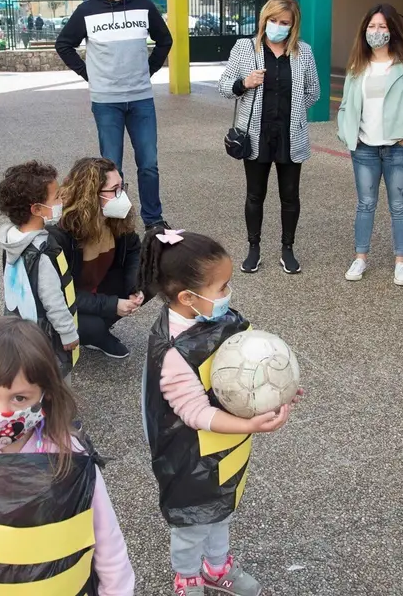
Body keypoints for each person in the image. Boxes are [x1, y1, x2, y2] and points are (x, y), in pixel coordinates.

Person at [0, 316, 134, 595]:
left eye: (19, 398)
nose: (2, 412)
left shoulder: (71, 456)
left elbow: (106, 537)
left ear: (45, 395)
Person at [139, 229, 302, 596]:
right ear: (187, 298)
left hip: (225, 447)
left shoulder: (217, 320)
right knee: (191, 523)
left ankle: (216, 568)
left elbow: (247, 363)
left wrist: (275, 386)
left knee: (221, 509)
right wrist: (250, 424)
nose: (229, 294)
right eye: (222, 287)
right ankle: (187, 576)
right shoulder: (172, 351)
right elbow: (195, 412)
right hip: (189, 455)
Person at [55, 0, 174, 230]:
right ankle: (116, 221)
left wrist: (149, 70)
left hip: (140, 98)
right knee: (111, 167)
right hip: (106, 101)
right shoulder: (86, 10)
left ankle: (153, 220)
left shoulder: (144, 5)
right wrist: (89, 75)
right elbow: (64, 44)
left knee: (149, 164)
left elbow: (165, 40)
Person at [218, 0, 320, 274]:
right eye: (273, 20)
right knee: (255, 195)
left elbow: (314, 91)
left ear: (293, 24)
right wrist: (244, 83)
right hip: (255, 134)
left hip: (290, 135)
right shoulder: (245, 48)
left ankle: (288, 249)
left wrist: (296, 111)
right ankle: (254, 248)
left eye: (284, 22)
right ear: (264, 20)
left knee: (290, 195)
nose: (278, 26)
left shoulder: (304, 52)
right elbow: (224, 86)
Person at [336, 3, 403, 287]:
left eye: (382, 27)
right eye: (371, 27)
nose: (376, 32)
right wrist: (346, 133)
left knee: (399, 206)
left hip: (398, 148)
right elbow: (345, 105)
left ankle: (401, 263)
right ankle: (360, 257)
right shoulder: (357, 65)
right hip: (364, 147)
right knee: (365, 204)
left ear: (393, 30)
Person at [48, 157, 144, 359]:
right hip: (67, 302)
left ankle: (97, 328)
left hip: (95, 291)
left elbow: (135, 250)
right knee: (93, 326)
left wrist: (135, 286)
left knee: (154, 274)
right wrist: (111, 304)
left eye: (122, 187)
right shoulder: (61, 235)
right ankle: (95, 334)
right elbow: (59, 294)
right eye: (115, 190)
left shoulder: (115, 220)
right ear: (90, 195)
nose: (122, 196)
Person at [0, 160, 81, 378]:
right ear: (36, 209)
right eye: (56, 198)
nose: (61, 201)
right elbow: (53, 300)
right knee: (55, 381)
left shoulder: (12, 240)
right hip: (47, 336)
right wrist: (68, 333)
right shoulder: (44, 251)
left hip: (22, 330)